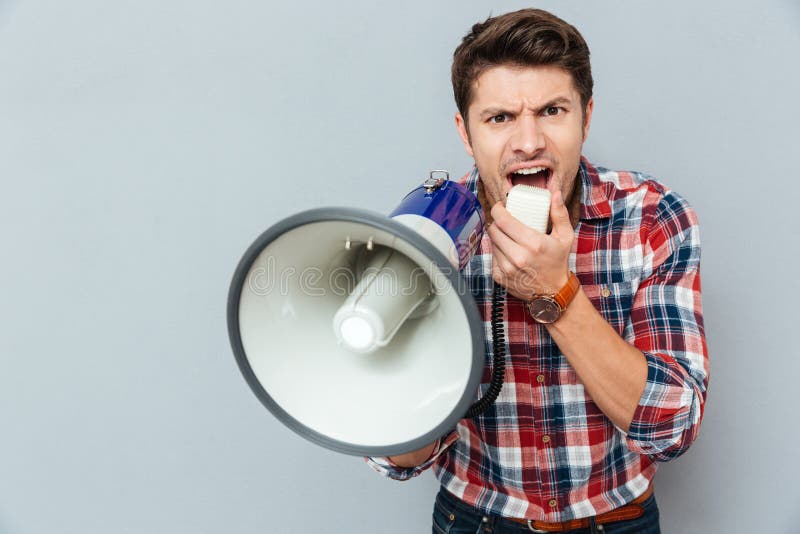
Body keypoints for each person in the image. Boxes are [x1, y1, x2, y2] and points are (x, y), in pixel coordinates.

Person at [367, 8, 708, 534]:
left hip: (617, 520)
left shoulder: (652, 217)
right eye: (499, 118)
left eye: (552, 110)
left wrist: (556, 292)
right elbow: (400, 460)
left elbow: (672, 428)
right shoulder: (431, 234)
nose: (528, 142)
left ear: (586, 117)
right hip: (474, 519)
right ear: (466, 132)